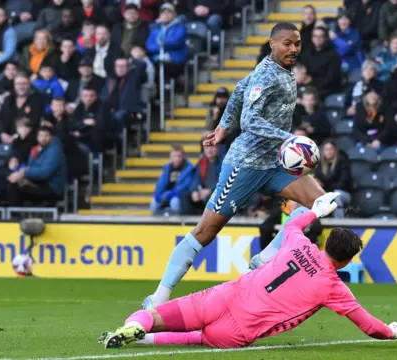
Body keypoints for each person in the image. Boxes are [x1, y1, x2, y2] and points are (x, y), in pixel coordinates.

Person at [141, 23, 330, 309]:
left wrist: (222, 126)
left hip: (274, 163)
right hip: (244, 165)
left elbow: (239, 91)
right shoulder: (267, 75)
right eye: (287, 44)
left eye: (297, 44)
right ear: (272, 44)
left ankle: (267, 256)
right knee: (205, 232)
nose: (293, 49)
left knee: (320, 201)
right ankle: (159, 297)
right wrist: (290, 138)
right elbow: (251, 121)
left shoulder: (283, 73)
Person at [99, 198, 397, 349]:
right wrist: (391, 330)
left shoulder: (296, 242)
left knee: (152, 314)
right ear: (345, 262)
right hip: (238, 330)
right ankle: (144, 340)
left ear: (325, 241)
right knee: (198, 338)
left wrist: (317, 211)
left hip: (223, 297)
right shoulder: (334, 288)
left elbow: (293, 223)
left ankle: (134, 330)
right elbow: (369, 326)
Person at [5, 125, 66, 206]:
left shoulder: (55, 151)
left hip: (52, 188)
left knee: (14, 187)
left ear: (51, 137)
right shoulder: (36, 149)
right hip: (39, 183)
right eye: (41, 135)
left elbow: (44, 173)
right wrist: (24, 176)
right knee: (11, 181)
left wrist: (24, 173)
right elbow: (32, 168)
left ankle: (14, 216)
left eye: (46, 135)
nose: (43, 138)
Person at [146, 3, 188, 80]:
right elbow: (149, 46)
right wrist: (162, 45)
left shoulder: (180, 27)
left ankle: (168, 89)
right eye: (163, 13)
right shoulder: (155, 28)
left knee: (161, 67)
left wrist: (159, 44)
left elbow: (175, 42)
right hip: (156, 58)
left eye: (169, 12)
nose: (166, 15)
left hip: (175, 59)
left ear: (174, 14)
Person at [297, 27, 342, 98]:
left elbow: (332, 78)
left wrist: (312, 81)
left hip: (326, 90)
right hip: (307, 87)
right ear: (312, 38)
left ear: (326, 38)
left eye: (321, 36)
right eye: (315, 36)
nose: (318, 38)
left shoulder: (333, 55)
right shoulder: (307, 53)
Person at [150, 144, 195, 215]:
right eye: (174, 156)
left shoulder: (189, 169)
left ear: (183, 156)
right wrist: (158, 193)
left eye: (179, 156)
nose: (177, 158)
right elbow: (160, 183)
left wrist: (173, 193)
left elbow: (186, 186)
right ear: (170, 157)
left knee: (174, 202)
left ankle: (176, 224)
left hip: (178, 196)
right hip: (165, 195)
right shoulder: (167, 168)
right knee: (154, 204)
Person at [313, 139, 352, 218]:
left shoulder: (342, 161)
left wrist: (327, 189)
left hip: (343, 193)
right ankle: (313, 222)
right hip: (325, 192)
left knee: (335, 195)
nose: (329, 151)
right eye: (326, 149)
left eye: (331, 149)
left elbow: (343, 183)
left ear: (335, 150)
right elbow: (317, 180)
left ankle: (339, 223)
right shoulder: (320, 164)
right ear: (323, 151)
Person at [184, 143, 222, 215]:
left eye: (212, 147)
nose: (209, 150)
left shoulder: (223, 162)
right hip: (203, 192)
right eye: (207, 147)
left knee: (212, 197)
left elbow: (224, 181)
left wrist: (210, 189)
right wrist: (194, 190)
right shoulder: (201, 163)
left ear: (217, 148)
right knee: (184, 196)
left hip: (216, 193)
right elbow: (196, 178)